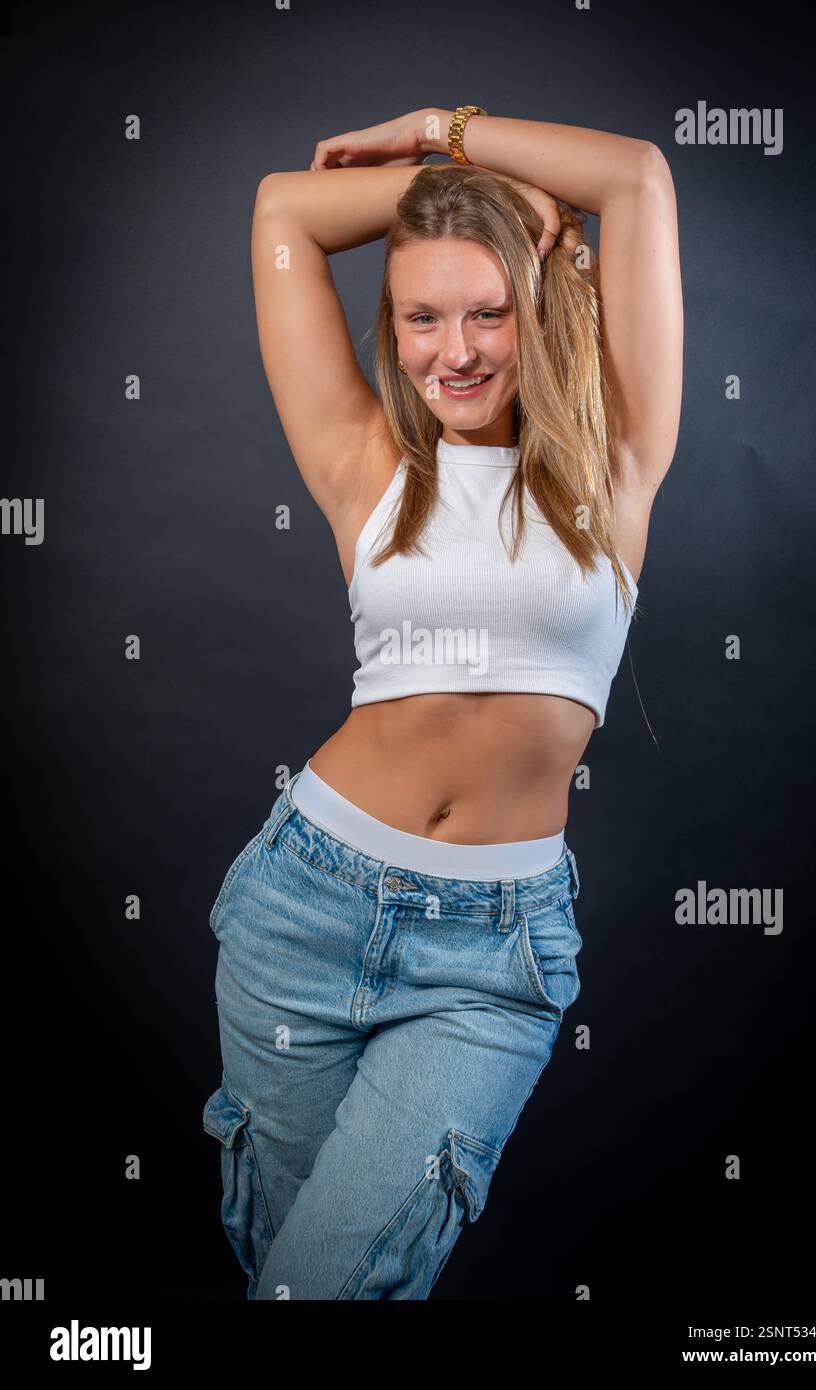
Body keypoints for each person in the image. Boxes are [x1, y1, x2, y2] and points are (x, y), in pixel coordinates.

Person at [203, 106, 682, 1300]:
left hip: (491, 956)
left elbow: (635, 178)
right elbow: (286, 208)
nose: (453, 350)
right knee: (283, 1271)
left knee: (324, 1286)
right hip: (303, 913)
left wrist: (445, 128)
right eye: (421, 316)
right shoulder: (365, 463)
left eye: (487, 310)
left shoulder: (617, 465)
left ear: (537, 302)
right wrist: (449, 187)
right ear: (394, 327)